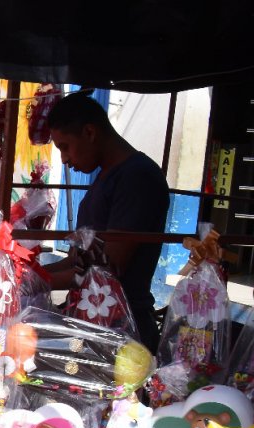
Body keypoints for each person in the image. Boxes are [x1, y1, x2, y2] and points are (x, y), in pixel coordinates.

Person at [44, 92, 170, 351]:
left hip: (123, 330)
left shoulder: (138, 178)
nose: (64, 160)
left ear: (90, 132)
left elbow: (108, 267)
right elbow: (79, 260)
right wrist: (33, 273)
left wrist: (41, 280)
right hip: (91, 323)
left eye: (65, 147)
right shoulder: (104, 178)